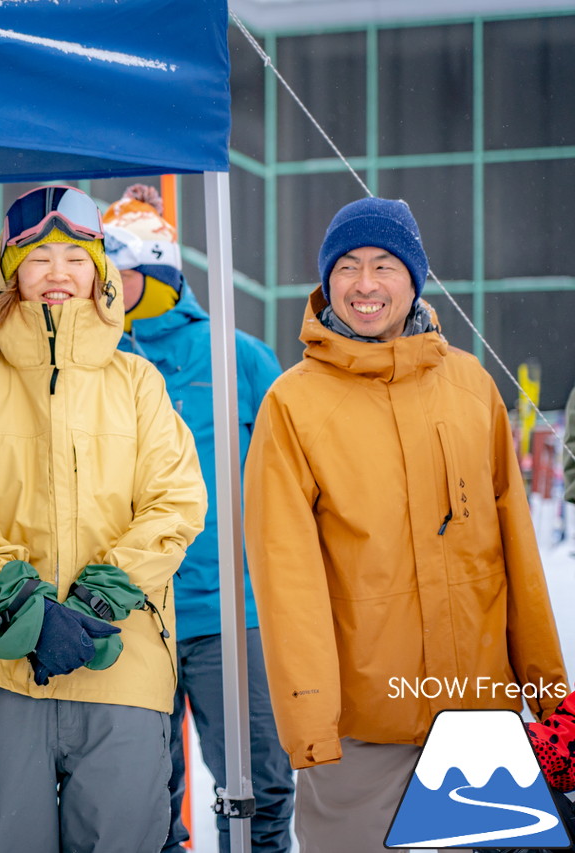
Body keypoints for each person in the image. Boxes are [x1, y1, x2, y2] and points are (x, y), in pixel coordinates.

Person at [243, 196, 569, 852]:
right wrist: (312, 723)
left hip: (480, 721)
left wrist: (552, 697)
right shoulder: (292, 405)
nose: (365, 284)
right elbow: (288, 580)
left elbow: (518, 560)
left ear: (414, 278)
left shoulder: (473, 387)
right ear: (327, 281)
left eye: (385, 265)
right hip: (364, 732)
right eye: (349, 267)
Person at [0, 184, 207, 853]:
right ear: (9, 273)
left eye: (75, 258)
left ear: (100, 273)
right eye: (39, 259)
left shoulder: (138, 384)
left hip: (121, 659)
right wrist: (23, 601)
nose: (58, 274)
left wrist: (103, 594)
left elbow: (175, 500)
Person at [101, 184, 293, 853]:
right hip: (131, 611)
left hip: (231, 616)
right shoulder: (100, 362)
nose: (97, 286)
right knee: (143, 790)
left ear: (154, 274)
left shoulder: (236, 355)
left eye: (112, 272)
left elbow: (294, 480)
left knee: (259, 781)